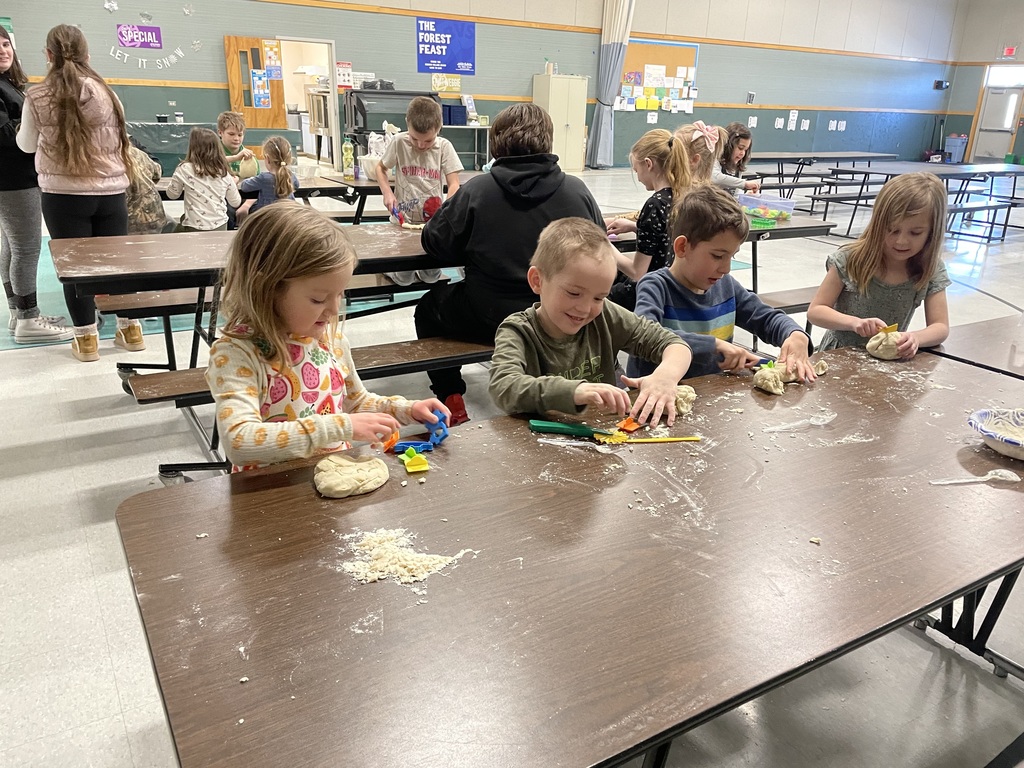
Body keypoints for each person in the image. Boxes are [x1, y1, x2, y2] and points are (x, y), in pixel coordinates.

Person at [205, 203, 449, 471]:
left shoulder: (330, 341)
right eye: (318, 298)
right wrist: (340, 426)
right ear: (267, 288)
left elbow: (356, 402)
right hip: (268, 499)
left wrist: (406, 410)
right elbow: (239, 442)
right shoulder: (237, 354)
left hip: (331, 478)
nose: (334, 310)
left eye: (340, 294)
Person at [415, 103, 605, 425]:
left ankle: (451, 396)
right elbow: (599, 250)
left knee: (429, 308)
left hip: (487, 314)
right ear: (548, 141)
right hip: (558, 315)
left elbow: (435, 244)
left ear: (495, 144)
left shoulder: (477, 190)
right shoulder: (576, 190)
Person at [488, 217, 694, 426]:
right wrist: (574, 391)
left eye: (599, 297)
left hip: (602, 435)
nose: (585, 309)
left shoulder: (605, 315)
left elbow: (672, 343)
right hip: (535, 445)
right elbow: (504, 387)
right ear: (537, 281)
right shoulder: (518, 331)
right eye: (574, 293)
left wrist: (665, 377)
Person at [18, 24, 141, 361]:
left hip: (63, 196)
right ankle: (130, 331)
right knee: (118, 265)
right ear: (88, 55)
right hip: (111, 191)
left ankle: (86, 341)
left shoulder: (37, 96)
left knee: (76, 270)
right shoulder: (106, 92)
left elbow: (26, 145)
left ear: (47, 56)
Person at [627, 185, 815, 381]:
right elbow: (646, 335)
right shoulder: (655, 286)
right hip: (655, 399)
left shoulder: (726, 286)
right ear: (682, 247)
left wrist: (795, 335)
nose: (726, 269)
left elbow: (765, 318)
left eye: (731, 256)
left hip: (710, 397)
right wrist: (712, 345)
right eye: (718, 256)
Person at [807, 172, 950, 358]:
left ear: (932, 232)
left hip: (889, 360)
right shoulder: (850, 259)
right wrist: (854, 323)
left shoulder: (930, 268)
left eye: (915, 233)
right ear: (877, 224)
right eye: (892, 230)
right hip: (839, 356)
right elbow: (816, 311)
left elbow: (940, 326)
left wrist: (915, 338)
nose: (901, 241)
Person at [0, 25, 70, 342]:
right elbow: (5, 136)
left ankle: (19, 312)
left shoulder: (8, 84)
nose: (3, 50)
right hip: (14, 179)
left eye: (5, 44)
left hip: (13, 177)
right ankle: (29, 319)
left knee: (10, 249)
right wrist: (34, 119)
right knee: (27, 249)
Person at [376, 96, 463, 286]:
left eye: (428, 140)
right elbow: (380, 168)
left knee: (431, 277)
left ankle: (421, 272)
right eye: (415, 138)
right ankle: (393, 271)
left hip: (431, 225)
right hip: (402, 221)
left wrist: (446, 210)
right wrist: (387, 192)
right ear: (407, 125)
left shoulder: (444, 147)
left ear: (439, 129)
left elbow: (454, 184)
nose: (421, 145)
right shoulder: (399, 142)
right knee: (403, 279)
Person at [603, 129, 694, 311]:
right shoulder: (683, 197)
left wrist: (604, 245)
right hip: (672, 288)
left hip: (649, 292)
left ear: (648, 164)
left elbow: (637, 272)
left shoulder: (655, 204)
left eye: (636, 170)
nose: (637, 176)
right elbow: (667, 235)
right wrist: (635, 227)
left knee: (598, 297)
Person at [165, 127, 242, 232]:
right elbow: (236, 202)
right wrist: (232, 184)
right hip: (220, 226)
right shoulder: (223, 172)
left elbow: (172, 195)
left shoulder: (184, 169)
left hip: (194, 226)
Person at [235, 135, 299, 225]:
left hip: (266, 220)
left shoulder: (263, 178)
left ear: (267, 159)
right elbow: (296, 186)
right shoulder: (291, 176)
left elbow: (245, 187)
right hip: (288, 219)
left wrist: (251, 178)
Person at [217, 111, 258, 230]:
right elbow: (213, 162)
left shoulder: (250, 157)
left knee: (260, 213)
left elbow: (258, 187)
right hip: (222, 199)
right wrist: (235, 158)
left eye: (240, 135)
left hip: (245, 198)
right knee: (226, 214)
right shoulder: (213, 152)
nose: (236, 139)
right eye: (231, 134)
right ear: (220, 132)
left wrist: (246, 206)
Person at [125, 139, 173, 234]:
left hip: (129, 222)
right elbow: (158, 171)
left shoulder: (107, 160)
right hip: (154, 216)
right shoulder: (139, 154)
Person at [712, 121, 760, 196]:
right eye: (740, 148)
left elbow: (735, 194)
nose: (743, 153)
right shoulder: (714, 158)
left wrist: (745, 196)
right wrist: (744, 184)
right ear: (728, 146)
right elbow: (716, 178)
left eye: (745, 150)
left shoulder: (737, 165)